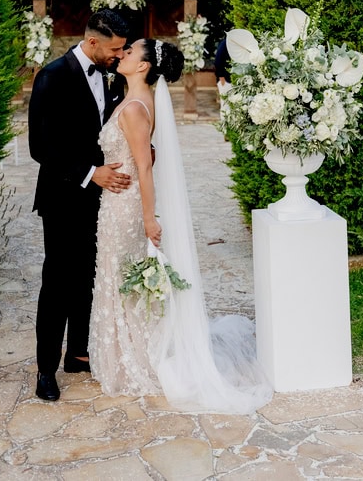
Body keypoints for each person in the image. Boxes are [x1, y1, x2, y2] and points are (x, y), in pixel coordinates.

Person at [89, 38, 272, 413]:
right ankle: (131, 350)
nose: (122, 54)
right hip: (118, 203)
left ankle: (136, 359)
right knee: (121, 279)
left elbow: (144, 167)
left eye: (130, 52)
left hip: (124, 208)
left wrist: (148, 218)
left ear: (143, 66)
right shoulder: (139, 100)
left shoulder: (134, 108)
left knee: (120, 278)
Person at [28, 8, 131, 402]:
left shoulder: (108, 75)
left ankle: (78, 353)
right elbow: (40, 147)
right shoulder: (52, 77)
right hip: (62, 197)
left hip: (99, 199)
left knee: (89, 275)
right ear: (92, 42)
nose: (119, 56)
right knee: (57, 282)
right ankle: (46, 369)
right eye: (115, 49)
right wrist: (91, 173)